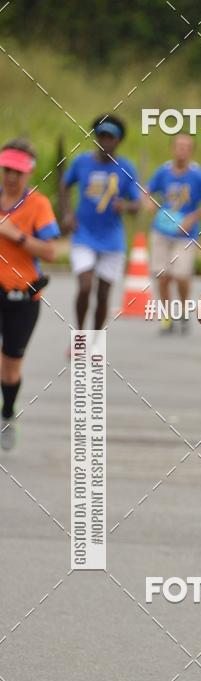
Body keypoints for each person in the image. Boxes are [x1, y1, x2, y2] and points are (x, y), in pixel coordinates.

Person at [0, 139, 59, 450]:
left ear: (29, 173)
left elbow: (51, 251)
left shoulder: (38, 205)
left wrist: (17, 235)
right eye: (7, 169)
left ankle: (7, 414)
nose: (11, 177)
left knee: (10, 366)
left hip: (22, 297)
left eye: (18, 172)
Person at [60, 115, 140, 338]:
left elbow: (136, 204)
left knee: (103, 295)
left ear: (119, 141)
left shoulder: (126, 168)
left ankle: (96, 338)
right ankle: (80, 335)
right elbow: (65, 185)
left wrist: (126, 205)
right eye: (101, 137)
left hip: (112, 239)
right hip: (83, 234)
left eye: (110, 138)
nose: (105, 142)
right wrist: (67, 213)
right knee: (85, 286)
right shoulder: (82, 162)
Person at [146, 134, 201, 333]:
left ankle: (183, 309)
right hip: (162, 231)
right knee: (163, 275)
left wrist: (192, 217)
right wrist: (151, 205)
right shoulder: (163, 171)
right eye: (179, 146)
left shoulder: (197, 175)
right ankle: (166, 315)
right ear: (172, 148)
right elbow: (146, 191)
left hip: (185, 233)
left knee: (181, 275)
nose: (182, 150)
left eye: (186, 147)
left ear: (192, 151)